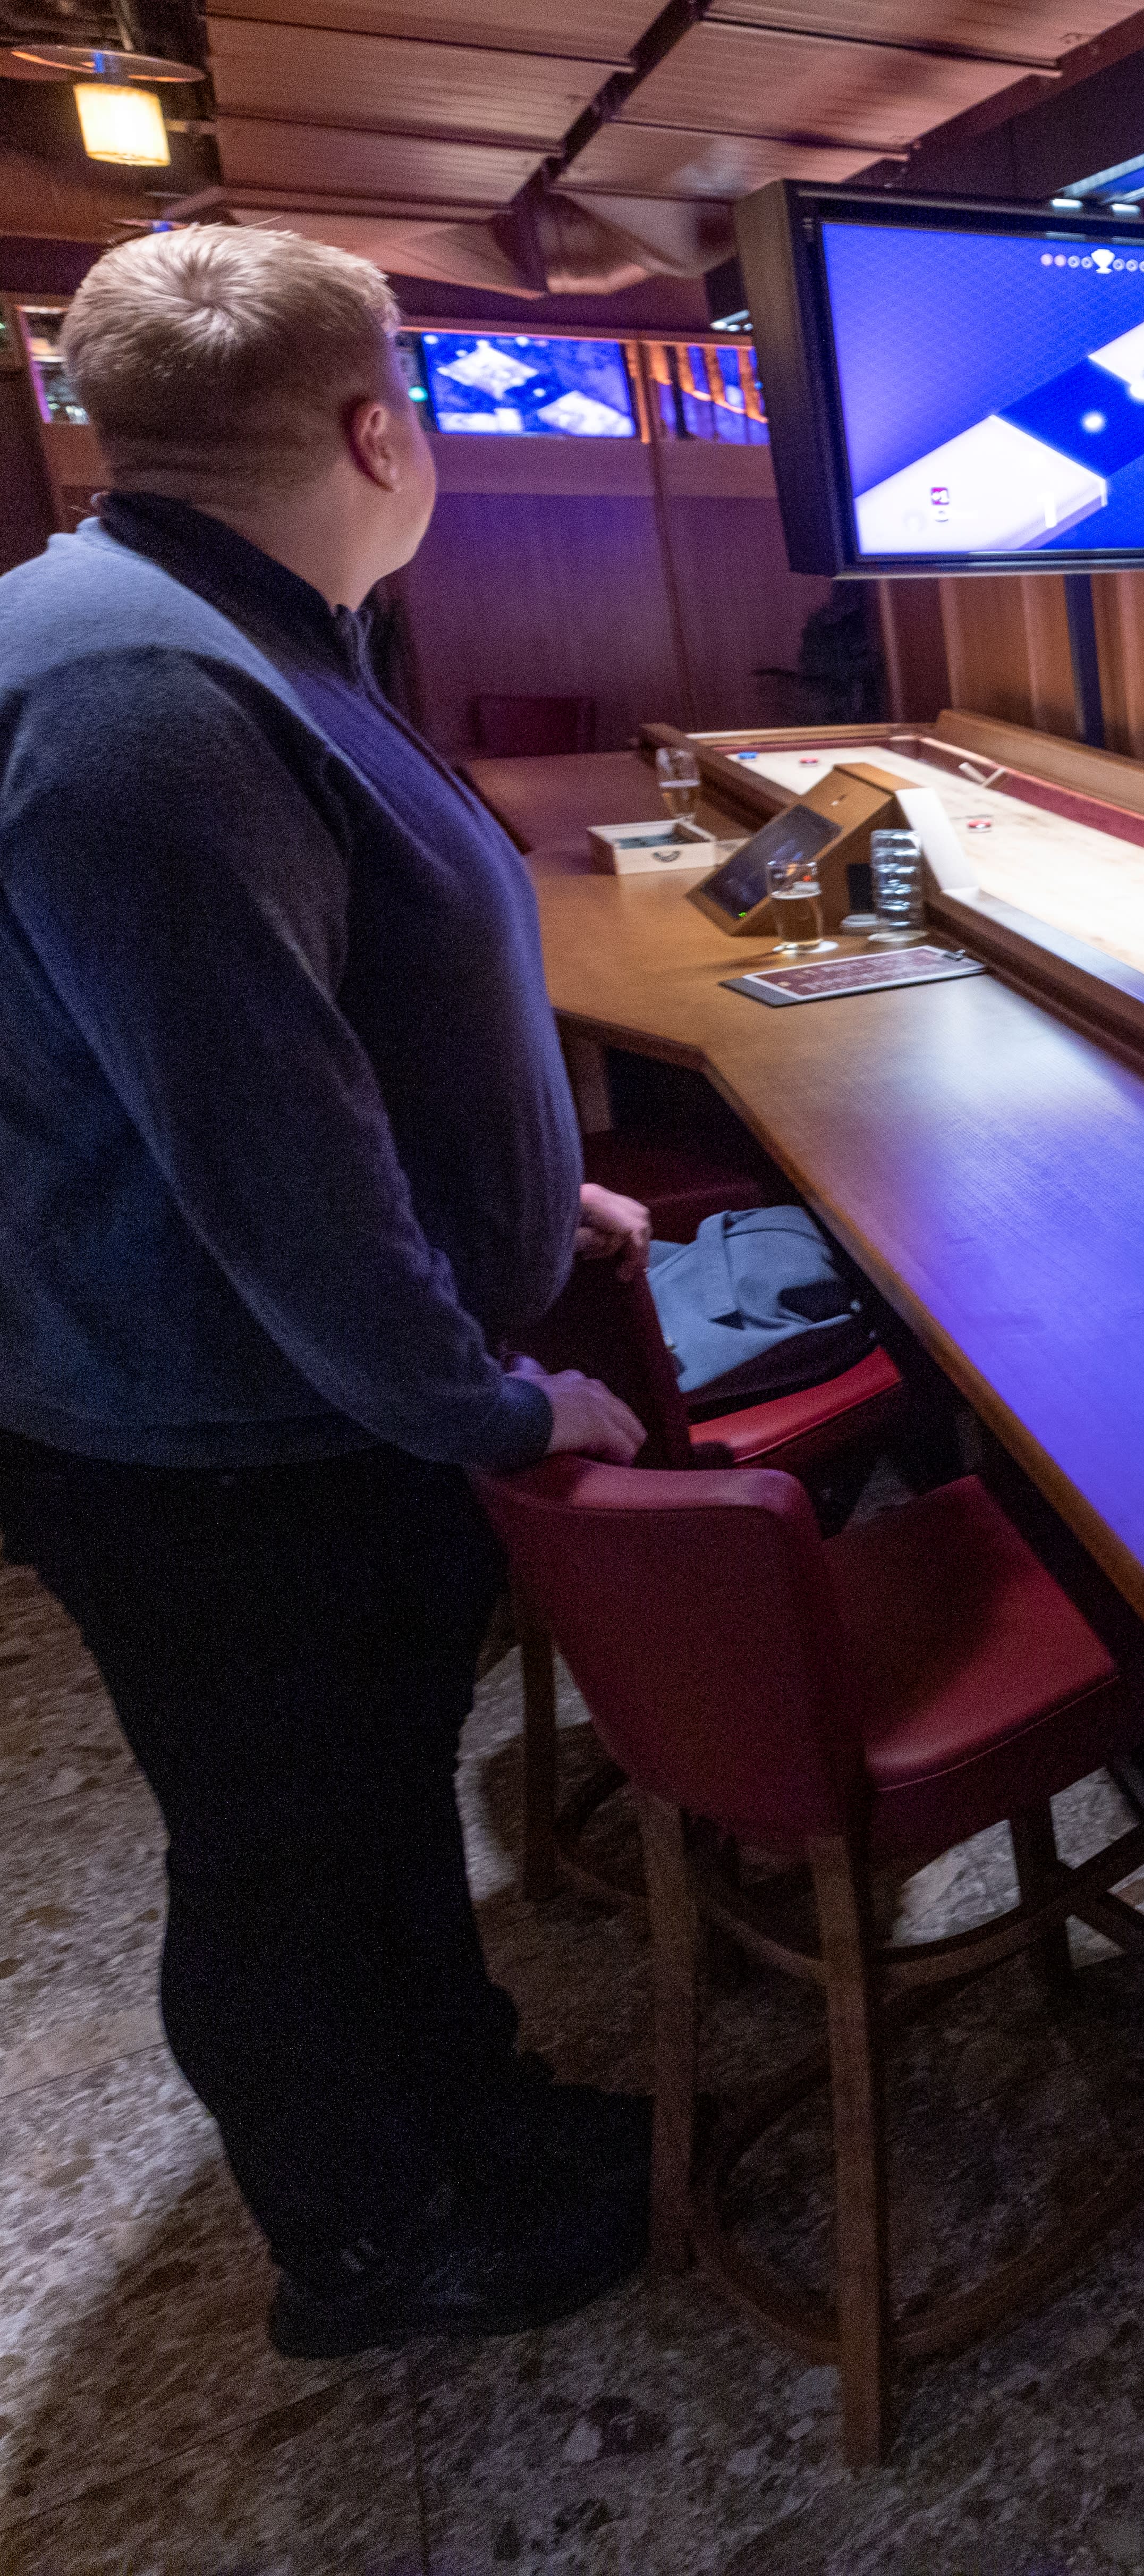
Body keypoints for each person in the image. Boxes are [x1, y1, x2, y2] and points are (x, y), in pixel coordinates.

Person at [0, 226, 657, 2359]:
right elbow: (261, 1158)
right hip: (218, 1436)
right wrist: (489, 1396)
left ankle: (456, 2109)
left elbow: (331, 1028)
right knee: (287, 1851)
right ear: (383, 428)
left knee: (373, 1806)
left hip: (289, 1397)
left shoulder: (222, 623)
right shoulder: (140, 699)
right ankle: (368, 2247)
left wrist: (540, 1202)